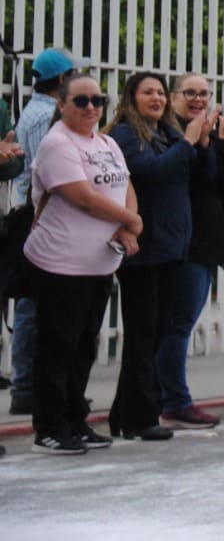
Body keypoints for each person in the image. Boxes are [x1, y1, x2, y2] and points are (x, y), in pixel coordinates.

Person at [21, 72, 141, 453]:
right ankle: (50, 425)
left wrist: (128, 226)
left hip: (100, 264)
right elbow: (82, 197)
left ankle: (76, 418)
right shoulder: (57, 143)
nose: (91, 108)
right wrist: (129, 220)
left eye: (98, 100)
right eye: (81, 101)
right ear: (61, 104)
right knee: (57, 347)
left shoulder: (105, 141)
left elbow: (126, 185)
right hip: (61, 264)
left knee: (84, 347)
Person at [106, 71, 215, 442]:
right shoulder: (125, 134)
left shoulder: (167, 132)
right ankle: (140, 415)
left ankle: (126, 413)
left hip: (172, 246)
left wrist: (203, 144)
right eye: (147, 92)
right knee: (142, 336)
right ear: (131, 98)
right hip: (145, 249)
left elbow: (200, 175)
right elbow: (152, 170)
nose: (156, 99)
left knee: (152, 335)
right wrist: (187, 142)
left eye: (158, 93)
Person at [159, 74, 224, 428]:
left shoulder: (207, 131)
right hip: (183, 244)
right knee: (177, 325)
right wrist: (203, 143)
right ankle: (173, 400)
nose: (197, 99)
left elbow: (222, 182)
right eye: (189, 93)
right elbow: (190, 180)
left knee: (179, 324)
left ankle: (168, 397)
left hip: (206, 242)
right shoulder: (171, 136)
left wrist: (219, 143)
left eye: (203, 94)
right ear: (174, 97)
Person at [6, 46, 76, 418]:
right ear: (63, 79)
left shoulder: (33, 112)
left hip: (32, 212)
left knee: (35, 304)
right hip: (40, 216)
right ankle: (26, 387)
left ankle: (28, 385)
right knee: (35, 306)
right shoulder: (47, 115)